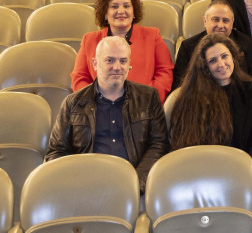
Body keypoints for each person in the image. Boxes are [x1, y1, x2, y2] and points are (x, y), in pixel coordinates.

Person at [47, 36, 170, 192]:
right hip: (85, 188)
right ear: (95, 64)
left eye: (123, 61)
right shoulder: (72, 104)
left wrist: (136, 184)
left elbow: (158, 145)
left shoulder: (148, 97)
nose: (117, 67)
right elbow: (56, 152)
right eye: (110, 60)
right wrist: (77, 184)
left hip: (135, 188)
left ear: (129, 64)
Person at [170, 34, 252, 166]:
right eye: (213, 61)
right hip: (203, 167)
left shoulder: (250, 89)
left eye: (224, 56)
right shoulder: (191, 96)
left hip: (241, 166)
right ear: (205, 66)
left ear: (233, 57)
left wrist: (247, 164)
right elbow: (184, 142)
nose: (221, 64)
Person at [71, 0, 173, 102]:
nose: (121, 11)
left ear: (133, 12)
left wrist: (147, 99)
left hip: (143, 108)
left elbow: (164, 72)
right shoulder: (89, 40)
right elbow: (80, 77)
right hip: (100, 109)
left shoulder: (152, 35)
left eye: (126, 6)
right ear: (105, 14)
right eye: (114, 7)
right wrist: (95, 101)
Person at [172, 0, 252, 92]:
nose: (220, 25)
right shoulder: (188, 47)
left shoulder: (250, 45)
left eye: (226, 20)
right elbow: (179, 86)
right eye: (215, 20)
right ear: (205, 21)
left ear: (232, 23)